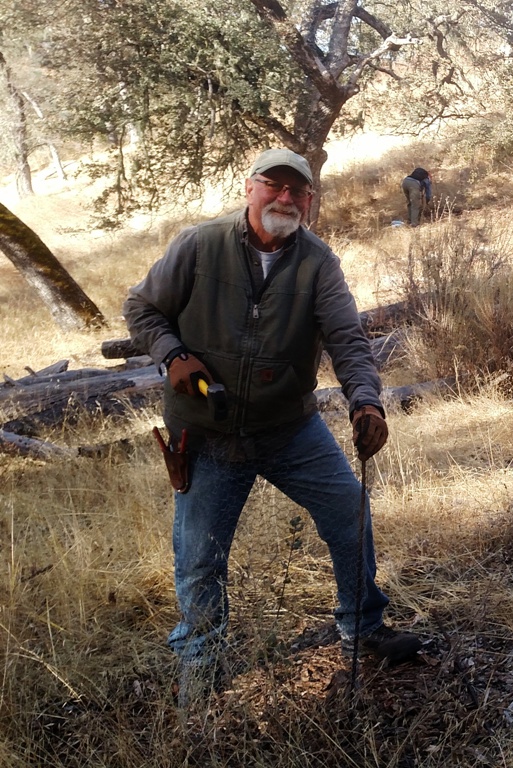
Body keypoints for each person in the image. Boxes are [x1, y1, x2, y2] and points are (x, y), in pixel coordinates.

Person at [123, 148, 419, 713]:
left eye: (297, 191)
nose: (285, 199)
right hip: (206, 436)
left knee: (348, 511)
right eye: (273, 186)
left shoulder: (318, 262)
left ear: (309, 199)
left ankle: (363, 627)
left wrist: (366, 403)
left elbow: (347, 340)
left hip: (290, 428)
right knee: (201, 558)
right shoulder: (198, 244)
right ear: (249, 188)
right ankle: (201, 677)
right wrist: (172, 354)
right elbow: (141, 310)